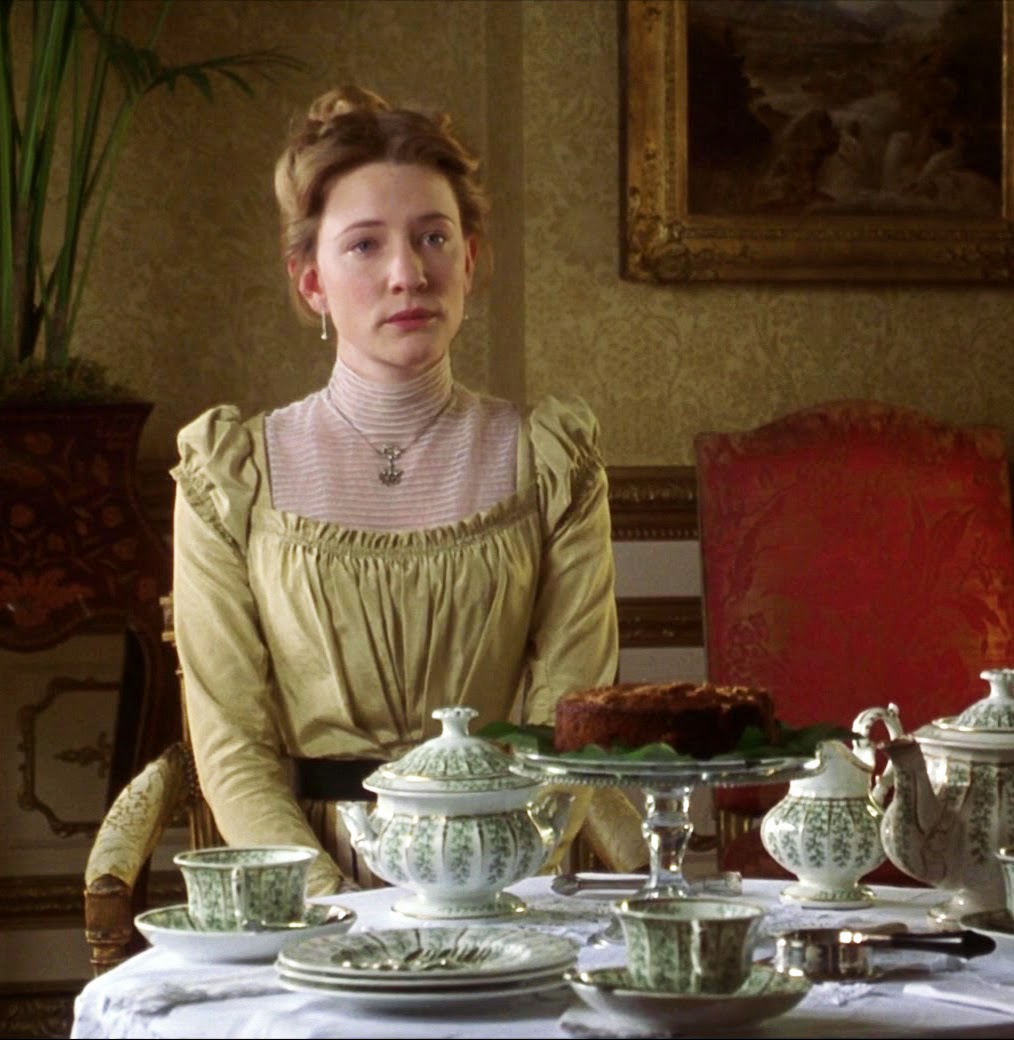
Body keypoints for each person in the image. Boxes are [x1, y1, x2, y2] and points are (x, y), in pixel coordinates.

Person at [170, 84, 644, 897]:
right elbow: (233, 748)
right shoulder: (231, 474)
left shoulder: (552, 461)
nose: (407, 274)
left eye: (433, 238)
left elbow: (568, 728)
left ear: (469, 259)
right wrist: (330, 911)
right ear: (310, 282)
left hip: (515, 879)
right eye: (364, 245)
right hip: (308, 895)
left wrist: (493, 894)